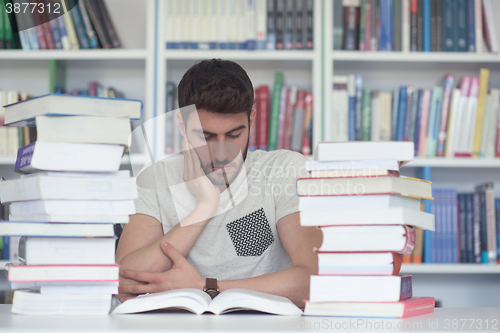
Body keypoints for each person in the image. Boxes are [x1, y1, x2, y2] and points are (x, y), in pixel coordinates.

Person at [116, 59, 322, 307]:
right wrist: (205, 206)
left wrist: (206, 287)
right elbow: (124, 281)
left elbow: (314, 280)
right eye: (206, 136)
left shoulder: (283, 170)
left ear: (252, 121)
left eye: (234, 135)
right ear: (182, 124)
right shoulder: (155, 179)